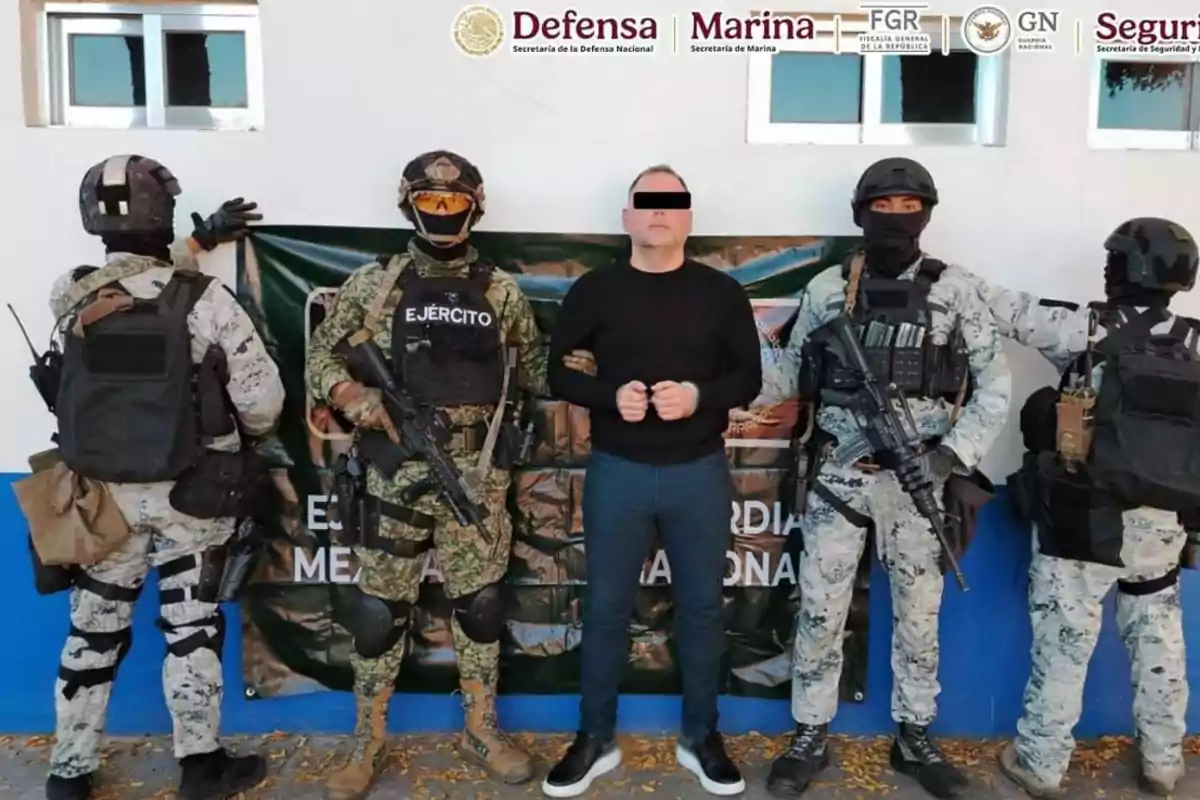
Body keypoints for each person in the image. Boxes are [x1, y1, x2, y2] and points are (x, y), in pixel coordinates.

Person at [307, 150, 593, 799]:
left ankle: (480, 730)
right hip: (394, 473)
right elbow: (323, 353)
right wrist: (358, 400)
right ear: (409, 204)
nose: (442, 213)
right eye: (430, 203)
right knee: (380, 612)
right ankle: (366, 742)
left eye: (452, 203)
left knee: (482, 606)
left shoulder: (498, 290)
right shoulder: (377, 283)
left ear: (474, 207)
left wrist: (589, 361)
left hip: (477, 476)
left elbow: (532, 368)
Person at [763, 157, 1011, 800]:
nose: (897, 219)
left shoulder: (958, 290)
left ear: (927, 214)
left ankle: (914, 736)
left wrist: (948, 456)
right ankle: (810, 732)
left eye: (910, 207)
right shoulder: (827, 291)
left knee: (919, 614)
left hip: (919, 480)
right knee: (819, 610)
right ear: (861, 213)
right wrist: (715, 368)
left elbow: (994, 387)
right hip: (839, 477)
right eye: (885, 207)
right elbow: (787, 374)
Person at [44, 154, 280, 800]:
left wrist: (193, 245)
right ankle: (200, 767)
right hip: (193, 493)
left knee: (92, 630)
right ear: (165, 213)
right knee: (192, 626)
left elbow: (130, 280)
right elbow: (263, 401)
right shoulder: (207, 302)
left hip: (101, 499)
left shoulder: (72, 292)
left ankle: (69, 772)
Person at [541, 164, 762, 798]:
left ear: (688, 218)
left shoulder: (721, 294)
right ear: (627, 218)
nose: (659, 213)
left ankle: (701, 736)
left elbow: (746, 380)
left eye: (672, 204)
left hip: (698, 472)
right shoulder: (596, 290)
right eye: (648, 203)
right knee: (607, 610)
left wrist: (696, 395)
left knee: (699, 609)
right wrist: (609, 396)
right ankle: (595, 738)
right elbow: (556, 372)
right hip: (618, 472)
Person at [968, 219, 1199, 799]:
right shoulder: (1196, 341)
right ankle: (1165, 764)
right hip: (1163, 522)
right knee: (1159, 642)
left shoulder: (1088, 330)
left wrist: (950, 274)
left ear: (1131, 270)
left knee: (1065, 643)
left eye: (1116, 259)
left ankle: (1041, 766)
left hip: (1085, 523)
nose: (1107, 268)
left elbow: (1005, 309)